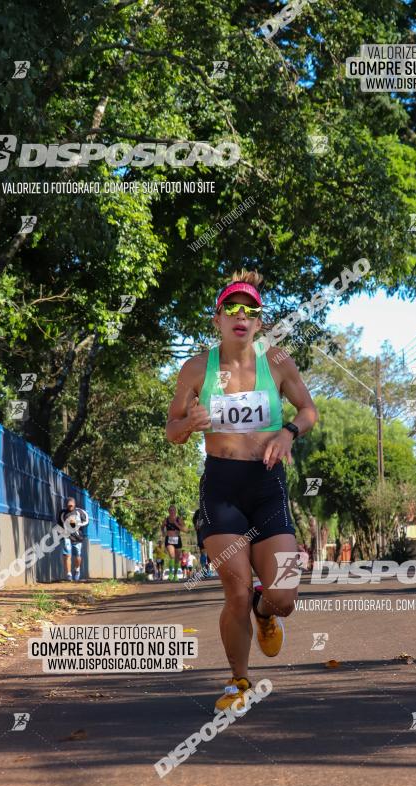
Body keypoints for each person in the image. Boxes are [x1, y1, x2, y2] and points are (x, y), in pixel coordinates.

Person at [166, 269, 318, 713]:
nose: (240, 315)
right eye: (231, 307)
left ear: (259, 322)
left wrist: (289, 432)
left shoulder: (278, 362)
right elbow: (172, 429)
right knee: (234, 588)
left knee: (286, 593)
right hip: (222, 490)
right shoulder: (196, 369)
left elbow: (308, 409)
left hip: (269, 488)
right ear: (217, 318)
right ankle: (239, 681)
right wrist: (187, 425)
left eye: (249, 309)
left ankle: (265, 609)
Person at [57, 497, 90, 582]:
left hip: (77, 537)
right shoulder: (63, 513)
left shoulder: (80, 512)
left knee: (77, 555)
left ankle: (77, 569)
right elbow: (60, 524)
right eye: (68, 506)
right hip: (66, 536)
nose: (70, 507)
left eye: (71, 506)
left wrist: (76, 524)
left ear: (74, 505)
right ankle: (69, 574)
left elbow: (86, 522)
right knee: (67, 554)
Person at [160, 505, 187, 581]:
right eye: (170, 510)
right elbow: (162, 527)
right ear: (168, 511)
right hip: (169, 539)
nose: (172, 512)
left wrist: (177, 524)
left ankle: (175, 575)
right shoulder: (166, 520)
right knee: (172, 556)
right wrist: (163, 532)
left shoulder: (179, 519)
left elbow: (185, 530)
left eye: (173, 510)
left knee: (177, 559)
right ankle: (170, 574)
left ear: (175, 511)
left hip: (177, 539)